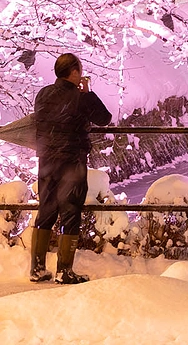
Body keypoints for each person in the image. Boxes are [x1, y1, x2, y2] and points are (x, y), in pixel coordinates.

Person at [30, 53, 112, 284]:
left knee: (46, 210)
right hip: (71, 161)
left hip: (47, 160)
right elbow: (104, 118)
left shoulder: (43, 94)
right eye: (80, 70)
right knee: (70, 211)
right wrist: (88, 93)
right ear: (74, 72)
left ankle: (37, 268)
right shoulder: (80, 97)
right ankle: (64, 270)